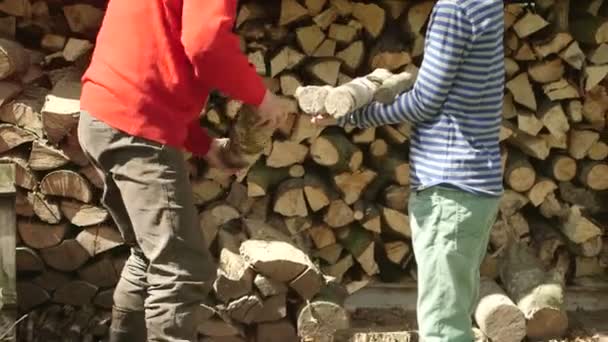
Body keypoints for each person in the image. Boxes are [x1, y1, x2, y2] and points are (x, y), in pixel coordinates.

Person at [77, 1, 291, 341]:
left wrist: (205, 146)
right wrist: (261, 98)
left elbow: (153, 61)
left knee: (148, 259)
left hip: (105, 117)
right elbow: (206, 44)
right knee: (181, 269)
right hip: (137, 127)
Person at [313, 1, 505, 341]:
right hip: (474, 185)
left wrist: (350, 116)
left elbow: (425, 101)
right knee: (453, 316)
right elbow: (447, 87)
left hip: (449, 186)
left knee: (442, 328)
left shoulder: (454, 10)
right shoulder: (484, 5)